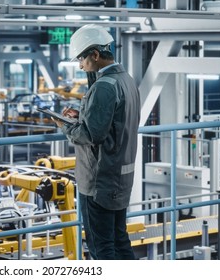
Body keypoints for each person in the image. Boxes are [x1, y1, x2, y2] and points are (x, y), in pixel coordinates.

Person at [52, 24, 141, 260]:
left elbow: (92, 136)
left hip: (98, 181)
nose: (80, 65)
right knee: (120, 240)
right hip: (119, 174)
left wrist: (65, 125)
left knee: (101, 247)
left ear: (95, 54)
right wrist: (82, 117)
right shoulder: (126, 80)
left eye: (81, 59)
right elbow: (113, 121)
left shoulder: (103, 86)